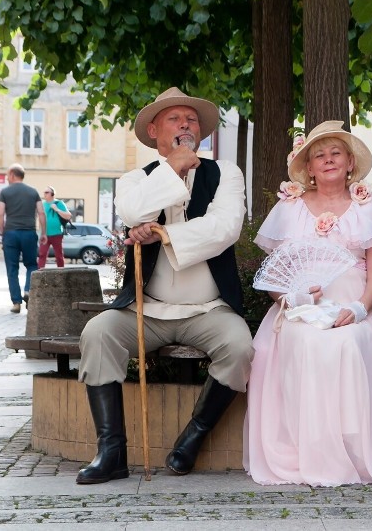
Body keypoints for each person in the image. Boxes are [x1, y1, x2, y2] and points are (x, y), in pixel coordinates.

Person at [75, 88, 252, 485]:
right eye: (175, 119)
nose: (186, 124)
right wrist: (173, 168)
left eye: (192, 119)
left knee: (241, 348)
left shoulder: (226, 173)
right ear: (154, 130)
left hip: (209, 308)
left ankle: (194, 436)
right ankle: (111, 452)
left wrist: (163, 234)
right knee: (97, 333)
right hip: (146, 308)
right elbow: (134, 211)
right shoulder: (135, 180)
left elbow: (225, 228)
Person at [244, 121, 372, 487]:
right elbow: (275, 275)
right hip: (299, 309)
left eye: (336, 153)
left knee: (349, 343)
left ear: (349, 163)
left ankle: (357, 451)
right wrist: (292, 299)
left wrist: (360, 308)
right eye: (319, 155)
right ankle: (310, 448)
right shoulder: (291, 207)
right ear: (308, 168)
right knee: (307, 343)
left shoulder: (367, 206)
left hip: (357, 304)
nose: (328, 160)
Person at [0, 164, 45, 313]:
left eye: (7, 175)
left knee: (12, 268)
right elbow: (41, 213)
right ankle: (28, 291)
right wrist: (44, 232)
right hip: (29, 232)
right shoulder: (33, 192)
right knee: (31, 265)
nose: (6, 178)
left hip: (11, 233)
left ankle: (16, 303)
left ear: (12, 174)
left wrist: (2, 231)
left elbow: (0, 213)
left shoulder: (5, 192)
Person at [36, 185, 72, 269]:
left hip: (57, 233)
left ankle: (61, 272)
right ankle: (40, 273)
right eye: (44, 192)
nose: (44, 194)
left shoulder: (59, 203)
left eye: (46, 192)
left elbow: (68, 216)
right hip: (44, 234)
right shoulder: (42, 204)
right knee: (42, 254)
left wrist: (57, 209)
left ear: (52, 194)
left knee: (59, 255)